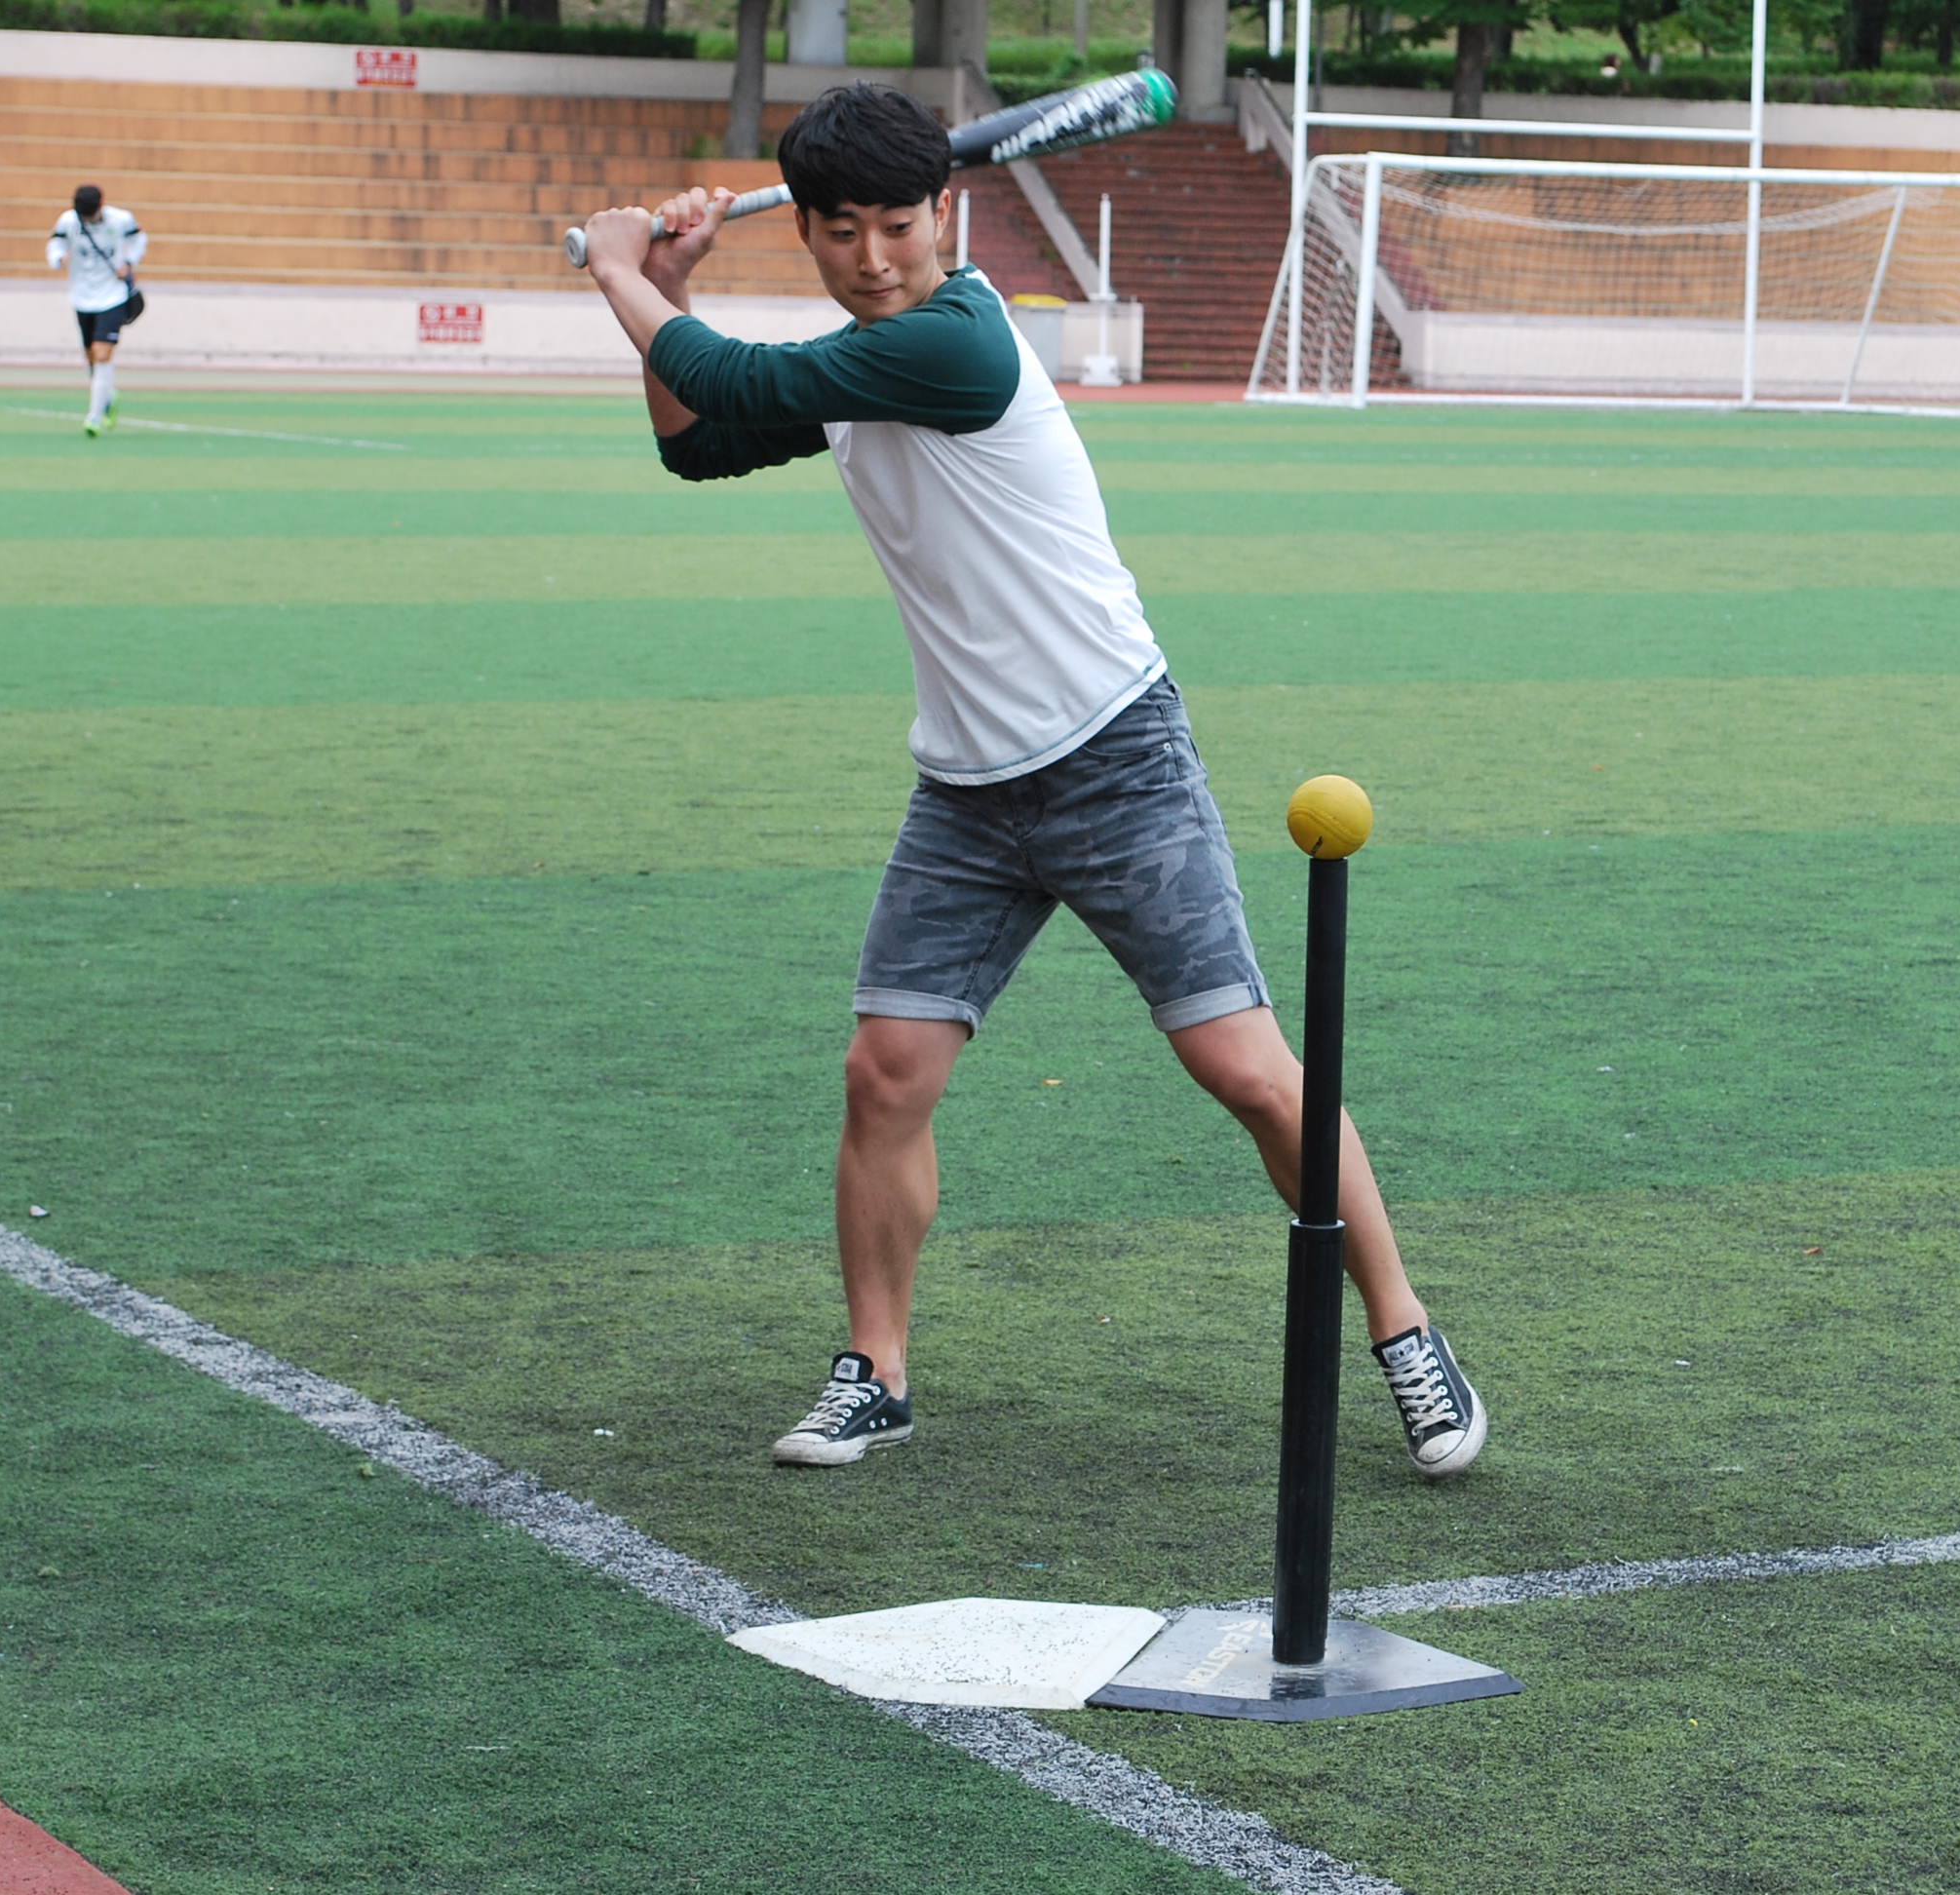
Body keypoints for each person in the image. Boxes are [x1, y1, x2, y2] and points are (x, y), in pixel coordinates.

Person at [578, 83, 1486, 1481]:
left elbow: (744, 384)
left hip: (1114, 758)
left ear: (944, 213)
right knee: (885, 1075)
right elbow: (698, 441)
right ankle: (876, 1370)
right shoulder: (864, 361)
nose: (874, 257)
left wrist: (620, 269)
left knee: (1247, 1073)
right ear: (806, 230)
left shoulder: (953, 341)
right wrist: (671, 286)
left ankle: (1407, 1330)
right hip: (966, 789)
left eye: (899, 224)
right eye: (841, 230)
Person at [47, 183, 143, 437]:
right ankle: (107, 397)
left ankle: (94, 417)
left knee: (102, 353)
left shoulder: (121, 219)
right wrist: (59, 259)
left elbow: (139, 239)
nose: (87, 220)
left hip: (112, 295)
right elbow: (55, 245)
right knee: (91, 356)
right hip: (82, 296)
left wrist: (129, 262)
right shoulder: (68, 221)